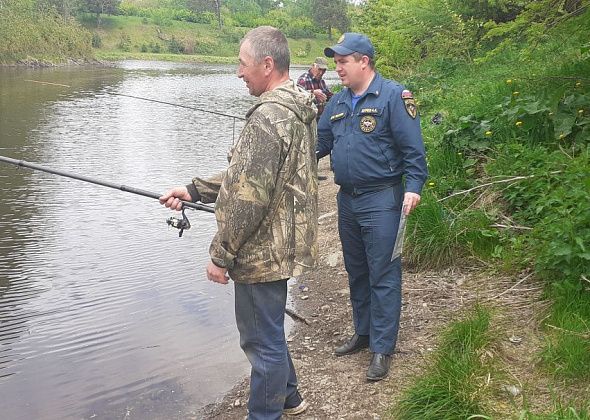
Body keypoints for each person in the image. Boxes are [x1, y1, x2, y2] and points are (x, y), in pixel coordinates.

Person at [160, 26, 318, 419]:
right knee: (268, 331)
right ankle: (290, 397)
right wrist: (194, 190)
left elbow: (248, 197)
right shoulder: (296, 107)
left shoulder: (268, 117)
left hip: (261, 250)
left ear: (267, 65)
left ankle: (264, 414)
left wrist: (221, 255)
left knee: (259, 340)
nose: (238, 72)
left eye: (242, 64)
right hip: (283, 242)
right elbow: (246, 176)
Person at [316, 33, 428, 381]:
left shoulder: (394, 95)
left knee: (383, 272)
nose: (337, 68)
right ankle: (363, 333)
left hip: (383, 198)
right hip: (347, 199)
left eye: (343, 61)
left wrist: (413, 188)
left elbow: (414, 151)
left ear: (364, 61)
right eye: (335, 62)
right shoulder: (336, 103)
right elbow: (318, 144)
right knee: (357, 270)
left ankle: (382, 348)